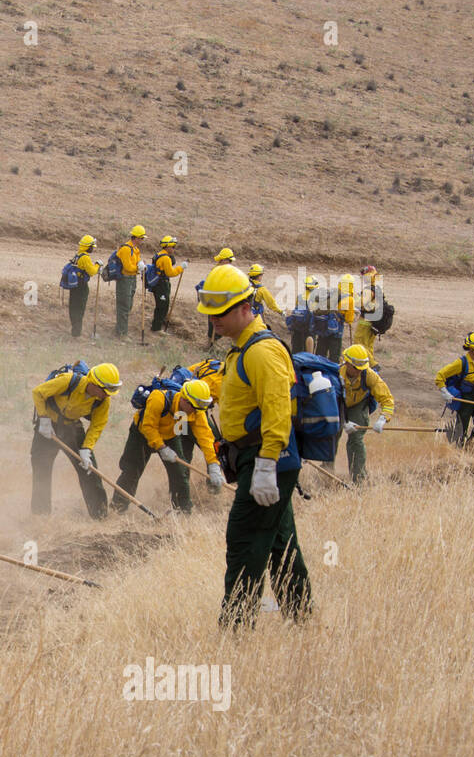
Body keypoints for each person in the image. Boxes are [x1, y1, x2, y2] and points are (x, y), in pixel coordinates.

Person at [196, 264, 311, 632]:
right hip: (259, 458)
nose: (214, 320)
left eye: (221, 312)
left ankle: (235, 631)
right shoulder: (241, 348)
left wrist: (265, 465)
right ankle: (303, 619)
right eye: (210, 313)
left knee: (245, 542)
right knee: (279, 544)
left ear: (246, 307)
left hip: (267, 459)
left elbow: (278, 410)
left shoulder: (261, 352)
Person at [113, 378, 225, 513]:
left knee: (180, 472)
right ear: (184, 399)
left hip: (170, 436)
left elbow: (206, 438)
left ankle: (182, 510)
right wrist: (162, 448)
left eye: (198, 409)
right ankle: (118, 507)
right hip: (142, 434)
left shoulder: (196, 409)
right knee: (131, 470)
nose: (195, 412)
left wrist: (213, 465)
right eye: (193, 408)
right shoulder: (158, 399)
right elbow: (148, 427)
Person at [30, 362, 122, 518]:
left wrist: (86, 449)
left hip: (71, 428)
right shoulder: (68, 381)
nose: (106, 395)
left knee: (89, 471)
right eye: (104, 391)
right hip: (48, 427)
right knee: (41, 468)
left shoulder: (103, 400)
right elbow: (38, 392)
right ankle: (41, 516)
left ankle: (100, 516)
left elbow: (98, 424)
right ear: (93, 383)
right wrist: (44, 419)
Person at [340, 345, 394, 484]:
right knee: (330, 434)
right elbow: (327, 403)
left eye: (361, 369)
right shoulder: (336, 374)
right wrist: (342, 422)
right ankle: (327, 468)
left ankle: (359, 479)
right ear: (347, 363)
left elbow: (387, 399)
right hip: (338, 404)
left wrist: (383, 419)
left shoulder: (369, 375)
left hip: (358, 405)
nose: (359, 372)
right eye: (356, 369)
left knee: (356, 439)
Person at [436, 332, 474, 446]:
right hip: (465, 397)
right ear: (472, 349)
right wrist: (444, 392)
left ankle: (472, 444)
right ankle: (458, 447)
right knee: (462, 426)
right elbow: (440, 375)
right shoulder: (461, 362)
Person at [64, 235, 102, 337]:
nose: (93, 248)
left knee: (73, 307)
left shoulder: (78, 255)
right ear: (88, 246)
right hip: (81, 286)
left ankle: (74, 330)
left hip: (74, 285)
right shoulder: (85, 257)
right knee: (79, 309)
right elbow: (92, 272)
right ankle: (77, 333)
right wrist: (98, 265)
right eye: (92, 246)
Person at [114, 225, 146, 338]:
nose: (142, 241)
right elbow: (127, 267)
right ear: (136, 237)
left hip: (132, 279)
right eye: (141, 238)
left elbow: (135, 263)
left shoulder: (136, 249)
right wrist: (138, 268)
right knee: (124, 305)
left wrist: (140, 266)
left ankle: (121, 329)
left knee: (128, 306)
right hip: (125, 279)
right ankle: (121, 333)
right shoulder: (126, 249)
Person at [314, 273, 355, 360]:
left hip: (323, 328)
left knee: (320, 354)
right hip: (336, 332)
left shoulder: (332, 293)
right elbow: (348, 319)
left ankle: (317, 370)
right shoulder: (350, 299)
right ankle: (332, 372)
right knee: (334, 356)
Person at [149, 235, 184, 332]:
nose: (174, 249)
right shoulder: (165, 258)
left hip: (158, 284)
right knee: (163, 306)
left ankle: (157, 325)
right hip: (161, 285)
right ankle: (156, 328)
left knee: (161, 305)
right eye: (173, 247)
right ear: (167, 246)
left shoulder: (158, 254)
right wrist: (181, 268)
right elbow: (170, 273)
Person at [353, 265, 384, 366]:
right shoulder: (378, 286)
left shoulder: (369, 289)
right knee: (369, 345)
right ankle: (369, 366)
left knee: (360, 343)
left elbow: (361, 304)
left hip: (365, 321)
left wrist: (355, 297)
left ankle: (372, 364)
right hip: (375, 321)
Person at [204, 248, 236, 343]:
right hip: (214, 298)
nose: (229, 263)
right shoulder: (216, 270)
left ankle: (213, 341)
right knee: (213, 321)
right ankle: (210, 342)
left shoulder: (229, 270)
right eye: (228, 261)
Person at [286, 275, 319, 353]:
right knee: (308, 353)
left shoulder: (300, 297)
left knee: (296, 350)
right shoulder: (316, 299)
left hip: (297, 328)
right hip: (309, 330)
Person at [247, 264, 282, 331]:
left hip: (245, 314)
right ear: (258, 276)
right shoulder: (262, 289)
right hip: (256, 317)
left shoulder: (245, 284)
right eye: (261, 275)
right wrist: (280, 311)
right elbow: (271, 304)